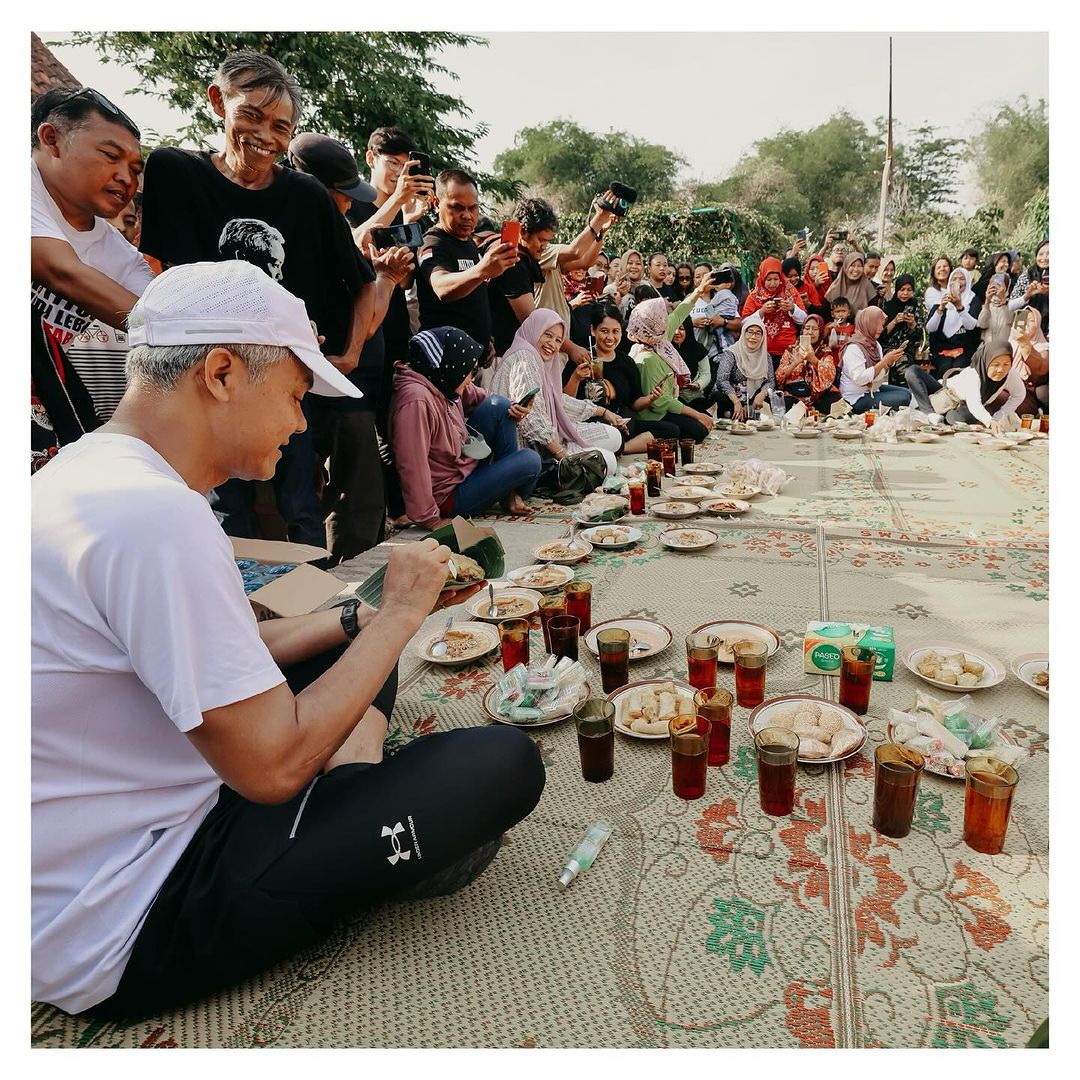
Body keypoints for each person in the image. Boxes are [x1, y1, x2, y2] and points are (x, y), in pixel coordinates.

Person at [31, 259, 546, 1019]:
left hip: (141, 817)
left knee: (350, 646)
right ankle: (343, 805)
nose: (302, 423)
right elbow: (270, 770)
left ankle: (344, 798)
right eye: (296, 395)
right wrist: (403, 612)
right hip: (134, 911)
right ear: (221, 372)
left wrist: (355, 620)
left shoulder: (89, 473)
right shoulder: (150, 516)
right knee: (502, 764)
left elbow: (206, 664)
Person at [139, 50, 372, 550]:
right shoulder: (177, 173)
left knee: (300, 501)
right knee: (222, 506)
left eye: (281, 126)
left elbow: (363, 279)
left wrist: (349, 353)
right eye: (251, 115)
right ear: (217, 102)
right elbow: (157, 278)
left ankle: (317, 604)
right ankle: (235, 604)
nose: (265, 135)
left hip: (283, 376)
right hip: (207, 381)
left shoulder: (308, 196)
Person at [286, 132, 414, 562]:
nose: (346, 204)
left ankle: (342, 578)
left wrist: (386, 280)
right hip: (318, 385)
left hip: (349, 379)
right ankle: (320, 587)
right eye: (339, 195)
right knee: (310, 494)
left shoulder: (337, 231)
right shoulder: (295, 236)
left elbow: (367, 307)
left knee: (354, 492)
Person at [31, 86, 155, 465]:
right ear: (51, 140)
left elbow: (165, 310)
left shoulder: (119, 257)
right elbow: (61, 272)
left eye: (135, 169)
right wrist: (172, 324)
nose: (126, 178)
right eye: (110, 156)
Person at [389, 327, 541, 526]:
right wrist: (431, 519)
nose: (471, 378)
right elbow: (412, 465)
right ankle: (508, 491)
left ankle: (509, 493)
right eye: (469, 371)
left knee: (500, 405)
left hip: (463, 467)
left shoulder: (440, 379)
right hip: (448, 496)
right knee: (530, 461)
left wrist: (515, 408)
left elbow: (486, 399)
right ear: (450, 367)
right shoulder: (416, 401)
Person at [489, 309, 623, 473]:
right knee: (609, 462)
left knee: (615, 437)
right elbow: (532, 417)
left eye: (558, 340)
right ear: (535, 329)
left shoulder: (536, 357)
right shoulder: (525, 357)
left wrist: (602, 412)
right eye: (547, 335)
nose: (552, 344)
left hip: (551, 435)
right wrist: (564, 456)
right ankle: (559, 467)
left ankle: (574, 448)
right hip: (530, 449)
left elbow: (556, 400)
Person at [500, 194, 620, 363]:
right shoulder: (525, 259)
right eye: (541, 239)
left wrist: (600, 233)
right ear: (523, 232)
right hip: (544, 346)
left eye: (548, 241)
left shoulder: (541, 257)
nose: (544, 245)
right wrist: (599, 218)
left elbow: (585, 262)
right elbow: (575, 251)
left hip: (556, 344)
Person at [416, 169, 519, 362]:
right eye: (457, 207)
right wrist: (482, 270)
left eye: (473, 208)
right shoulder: (432, 243)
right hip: (443, 363)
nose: (467, 215)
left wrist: (484, 337)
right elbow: (441, 287)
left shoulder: (469, 243)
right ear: (437, 204)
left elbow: (472, 300)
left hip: (474, 362)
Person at [563, 303, 675, 449]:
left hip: (622, 422)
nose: (610, 337)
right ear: (593, 330)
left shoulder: (626, 362)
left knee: (672, 430)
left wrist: (651, 398)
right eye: (604, 331)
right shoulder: (581, 358)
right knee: (610, 434)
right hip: (589, 424)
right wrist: (576, 378)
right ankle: (619, 445)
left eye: (615, 331)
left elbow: (634, 403)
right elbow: (565, 402)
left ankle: (624, 448)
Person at [629, 291, 716, 442]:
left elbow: (679, 314)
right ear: (653, 323)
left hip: (665, 406)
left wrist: (699, 290)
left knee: (702, 422)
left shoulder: (656, 339)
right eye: (662, 316)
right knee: (698, 431)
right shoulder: (647, 357)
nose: (666, 319)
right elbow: (662, 402)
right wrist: (697, 415)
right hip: (653, 414)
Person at [905, 337, 1025, 429]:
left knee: (958, 418)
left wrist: (998, 417)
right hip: (945, 392)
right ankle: (929, 413)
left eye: (1006, 364)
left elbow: (1019, 394)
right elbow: (975, 404)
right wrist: (990, 422)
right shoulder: (974, 375)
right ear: (986, 362)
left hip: (965, 406)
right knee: (913, 371)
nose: (1001, 370)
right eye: (995, 365)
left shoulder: (1010, 374)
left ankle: (942, 417)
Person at [838, 307, 912, 414]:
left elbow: (879, 375)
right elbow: (860, 379)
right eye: (877, 325)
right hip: (856, 398)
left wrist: (889, 362)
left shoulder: (875, 344)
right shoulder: (854, 347)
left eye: (882, 325)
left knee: (907, 393)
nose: (881, 329)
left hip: (873, 389)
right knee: (903, 398)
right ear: (867, 324)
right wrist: (884, 362)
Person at [741, 256, 808, 366]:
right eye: (769, 280)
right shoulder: (754, 296)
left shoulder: (791, 292)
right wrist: (762, 312)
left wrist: (792, 308)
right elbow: (744, 323)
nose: (773, 283)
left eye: (776, 279)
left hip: (789, 352)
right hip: (761, 353)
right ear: (762, 278)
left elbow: (804, 319)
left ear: (781, 278)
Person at [711, 313, 776, 420]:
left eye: (758, 333)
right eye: (750, 332)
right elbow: (722, 381)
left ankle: (750, 414)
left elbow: (770, 381)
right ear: (743, 333)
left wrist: (762, 394)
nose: (753, 337)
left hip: (753, 400)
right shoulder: (731, 352)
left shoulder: (765, 356)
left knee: (771, 398)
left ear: (763, 336)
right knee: (719, 397)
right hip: (731, 399)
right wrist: (736, 402)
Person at [774, 314, 839, 413]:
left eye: (814, 329)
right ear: (802, 330)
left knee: (834, 402)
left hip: (817, 396)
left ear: (820, 331)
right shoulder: (791, 350)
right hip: (794, 395)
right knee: (786, 403)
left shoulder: (824, 351)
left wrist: (813, 359)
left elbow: (829, 376)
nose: (810, 332)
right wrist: (796, 362)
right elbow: (779, 376)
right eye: (807, 328)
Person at [691, 265, 742, 386]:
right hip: (698, 357)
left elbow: (738, 323)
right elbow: (679, 323)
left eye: (705, 275)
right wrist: (692, 323)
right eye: (698, 276)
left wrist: (723, 322)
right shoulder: (690, 300)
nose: (702, 279)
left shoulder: (723, 297)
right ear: (694, 280)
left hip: (720, 355)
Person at [926, 267, 980, 377]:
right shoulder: (941, 301)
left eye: (962, 279)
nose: (958, 282)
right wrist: (941, 308)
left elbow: (971, 326)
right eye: (954, 279)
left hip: (965, 348)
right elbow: (930, 328)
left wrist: (959, 307)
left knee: (958, 368)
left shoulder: (973, 300)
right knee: (944, 367)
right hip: (942, 349)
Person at [879, 274, 924, 385]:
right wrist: (894, 321)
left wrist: (912, 324)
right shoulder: (888, 305)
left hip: (907, 348)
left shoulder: (916, 305)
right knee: (900, 360)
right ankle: (901, 393)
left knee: (903, 361)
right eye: (902, 289)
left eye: (909, 290)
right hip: (888, 347)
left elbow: (919, 335)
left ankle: (901, 394)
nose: (905, 293)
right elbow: (881, 333)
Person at [1009, 306, 1049, 414]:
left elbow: (1040, 369)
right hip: (1003, 387)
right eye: (1023, 320)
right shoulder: (1008, 344)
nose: (1026, 323)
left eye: (1031, 320)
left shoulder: (1043, 347)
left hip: (1025, 393)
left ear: (1037, 324)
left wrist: (1024, 344)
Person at [1009, 239, 1049, 337]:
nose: (1044, 258)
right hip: (1024, 325)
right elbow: (1011, 306)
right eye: (1041, 254)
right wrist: (1027, 295)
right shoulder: (1027, 274)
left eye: (1049, 254)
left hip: (1047, 332)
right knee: (1020, 346)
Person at [824, 252, 878, 318]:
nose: (856, 269)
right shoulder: (835, 286)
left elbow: (872, 317)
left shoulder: (868, 287)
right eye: (852, 265)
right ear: (846, 266)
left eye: (859, 266)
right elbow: (826, 314)